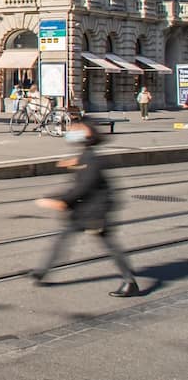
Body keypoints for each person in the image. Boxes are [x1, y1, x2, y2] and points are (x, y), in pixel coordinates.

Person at [32, 116, 140, 298]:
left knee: (109, 245)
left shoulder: (90, 159)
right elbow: (85, 167)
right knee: (63, 239)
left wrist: (60, 201)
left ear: (87, 132)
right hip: (86, 209)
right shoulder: (86, 154)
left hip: (94, 211)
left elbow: (82, 188)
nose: (71, 131)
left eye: (75, 129)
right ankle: (42, 272)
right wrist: (73, 162)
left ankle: (130, 282)